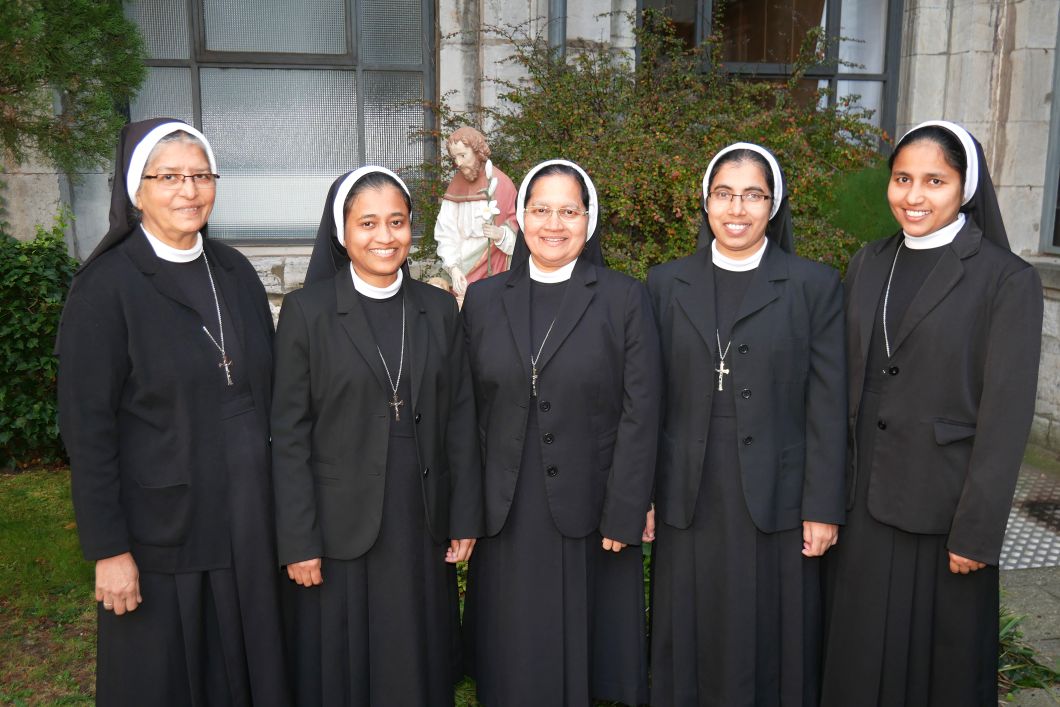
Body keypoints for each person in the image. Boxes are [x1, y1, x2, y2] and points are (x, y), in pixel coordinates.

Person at [56, 118, 289, 705]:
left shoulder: (234, 271)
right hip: (164, 529)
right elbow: (88, 431)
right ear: (137, 190)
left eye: (200, 175)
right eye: (169, 177)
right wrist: (109, 549)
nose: (189, 191)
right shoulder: (105, 287)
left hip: (250, 519)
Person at [820, 121, 1044, 706]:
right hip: (862, 494)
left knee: (938, 666)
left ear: (964, 187)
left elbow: (1006, 416)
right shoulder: (868, 261)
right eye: (902, 179)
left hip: (945, 505)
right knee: (859, 653)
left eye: (934, 181)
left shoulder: (1007, 279)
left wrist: (978, 530)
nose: (913, 196)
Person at [271, 166, 483, 706]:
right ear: (342, 233)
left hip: (420, 513)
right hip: (339, 521)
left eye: (396, 221)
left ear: (412, 227)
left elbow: (460, 416)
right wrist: (298, 539)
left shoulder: (437, 310)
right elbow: (289, 435)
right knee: (345, 663)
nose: (384, 237)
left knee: (418, 649)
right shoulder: (307, 312)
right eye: (367, 223)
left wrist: (464, 514)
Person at [647, 142, 847, 706]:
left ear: (773, 203)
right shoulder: (664, 284)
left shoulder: (814, 285)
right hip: (689, 486)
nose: (737, 209)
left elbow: (828, 406)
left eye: (753, 195)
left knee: (771, 628)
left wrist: (823, 506)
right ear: (706, 202)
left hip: (778, 493)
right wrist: (642, 494)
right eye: (724, 194)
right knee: (690, 618)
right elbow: (647, 400)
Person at [461, 159, 662, 706]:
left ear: (588, 219)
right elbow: (464, 410)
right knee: (511, 650)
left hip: (590, 506)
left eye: (569, 210)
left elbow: (641, 409)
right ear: (521, 218)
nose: (555, 223)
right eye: (541, 209)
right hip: (504, 502)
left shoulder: (623, 298)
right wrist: (464, 507)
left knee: (578, 653)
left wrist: (627, 506)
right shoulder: (482, 299)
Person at [434, 126, 518, 301]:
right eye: (454, 157)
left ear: (478, 152)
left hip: (493, 267)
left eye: (462, 155)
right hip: (462, 266)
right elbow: (446, 231)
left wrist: (501, 235)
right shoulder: (455, 185)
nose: (458, 163)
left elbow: (517, 229)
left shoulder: (501, 183)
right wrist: (453, 268)